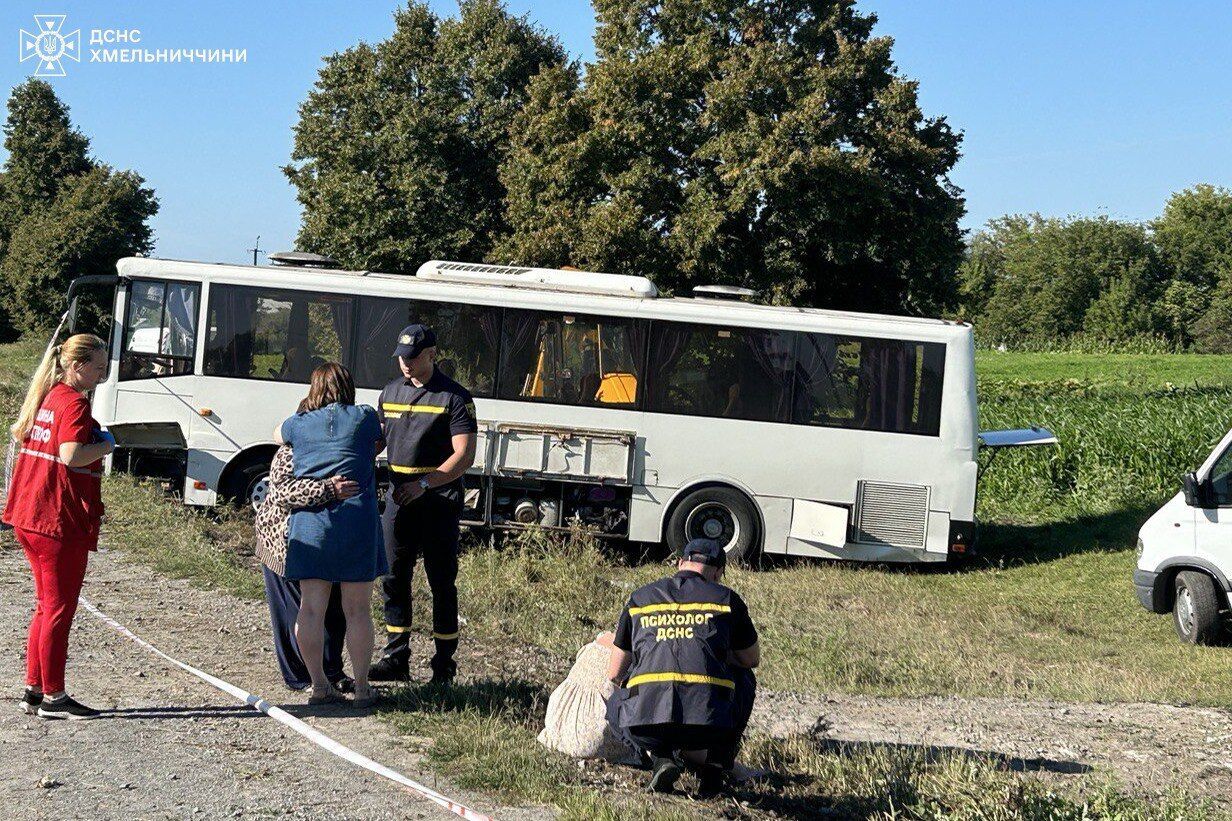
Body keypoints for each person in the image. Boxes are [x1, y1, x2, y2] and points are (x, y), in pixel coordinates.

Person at [3, 334, 114, 720]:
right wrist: (105, 446)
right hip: (56, 520)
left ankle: (34, 689)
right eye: (98, 367)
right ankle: (54, 696)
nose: (104, 373)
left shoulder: (47, 397)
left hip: (29, 515)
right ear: (76, 365)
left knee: (44, 607)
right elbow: (71, 455)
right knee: (58, 610)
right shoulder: (74, 403)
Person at [605, 538, 760, 798]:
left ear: (680, 563)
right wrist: (717, 655)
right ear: (719, 571)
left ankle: (660, 758)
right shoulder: (726, 599)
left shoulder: (641, 598)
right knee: (744, 678)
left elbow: (614, 672)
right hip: (709, 726)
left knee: (618, 695)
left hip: (646, 726)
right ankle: (715, 765)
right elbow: (750, 659)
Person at [370, 324, 477, 684]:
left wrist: (425, 484)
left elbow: (463, 456)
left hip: (438, 500)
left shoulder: (456, 398)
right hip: (398, 500)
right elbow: (379, 441)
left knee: (441, 583)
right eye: (401, 358)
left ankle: (443, 665)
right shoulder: (390, 392)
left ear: (432, 354)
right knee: (392, 578)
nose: (405, 364)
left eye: (413, 358)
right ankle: (396, 657)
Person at [276, 363, 386, 707]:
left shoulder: (298, 425)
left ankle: (319, 685)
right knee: (358, 611)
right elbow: (378, 441)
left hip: (312, 525)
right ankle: (363, 688)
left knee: (310, 609)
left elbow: (278, 434)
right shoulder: (365, 417)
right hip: (356, 523)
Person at [254, 442, 361, 693]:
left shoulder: (341, 445)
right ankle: (301, 677)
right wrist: (327, 489)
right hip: (283, 540)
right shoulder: (293, 448)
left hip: (323, 541)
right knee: (295, 609)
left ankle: (331, 672)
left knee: (333, 611)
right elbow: (282, 492)